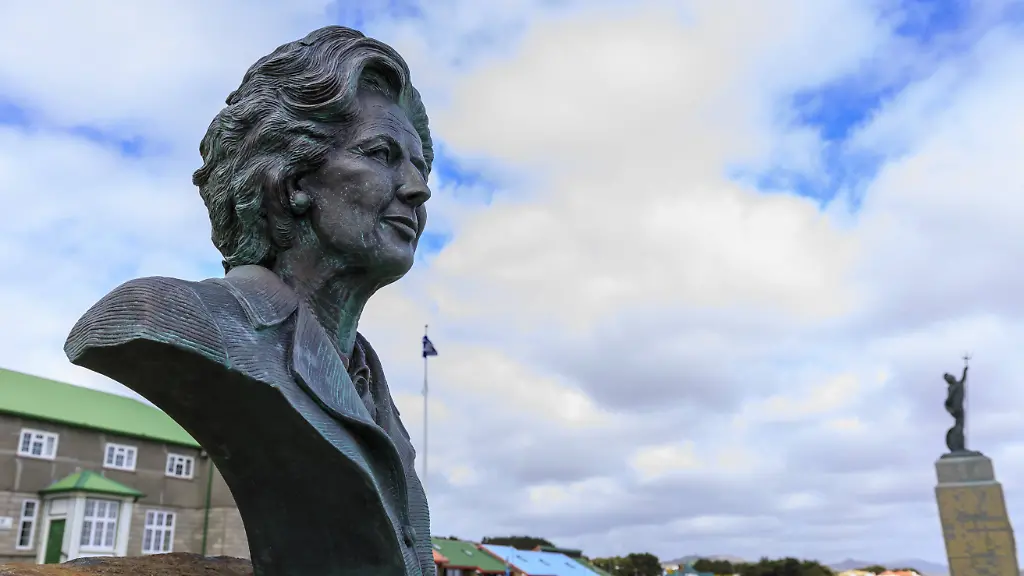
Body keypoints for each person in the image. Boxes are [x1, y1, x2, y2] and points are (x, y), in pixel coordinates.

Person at [65, 26, 433, 576]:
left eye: (420, 166)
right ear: (291, 181)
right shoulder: (171, 316)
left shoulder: (368, 383)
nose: (417, 188)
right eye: (381, 154)